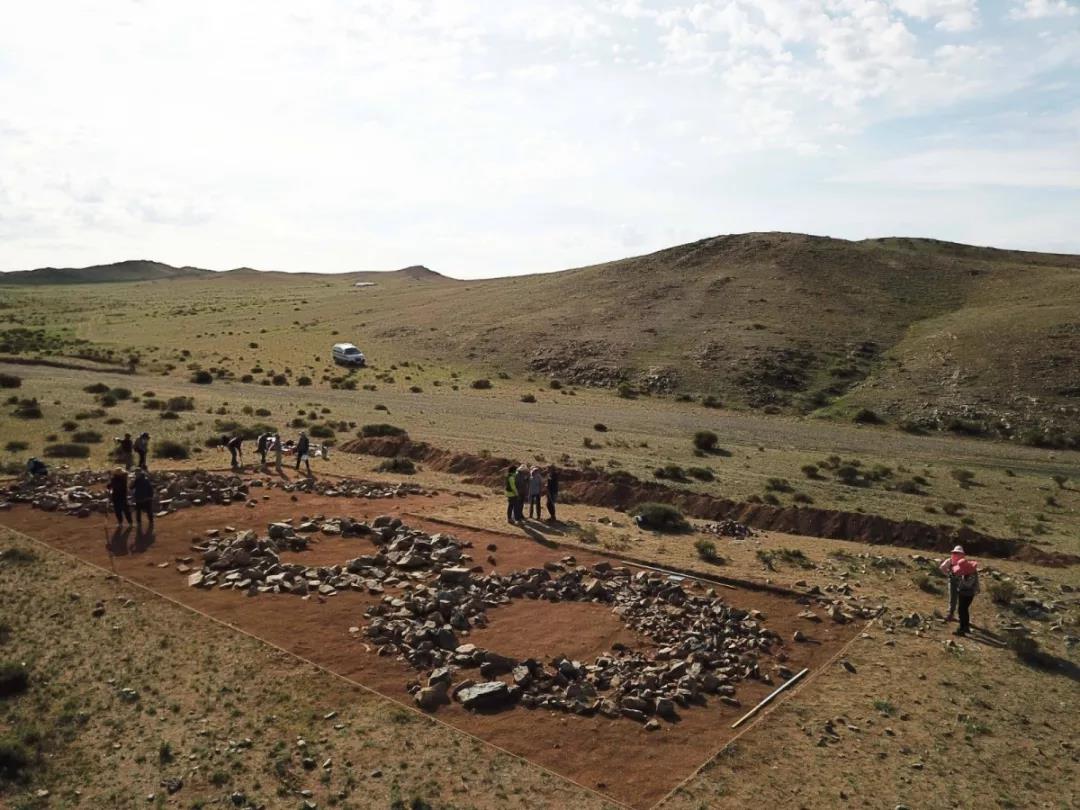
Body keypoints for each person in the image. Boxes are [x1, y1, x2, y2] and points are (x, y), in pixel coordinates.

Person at [953, 557, 980, 636]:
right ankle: (965, 627)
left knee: (962, 610)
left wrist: (960, 579)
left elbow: (968, 584)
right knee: (964, 610)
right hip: (966, 594)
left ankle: (962, 628)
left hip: (966, 594)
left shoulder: (971, 575)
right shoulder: (972, 572)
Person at [939, 545, 966, 621]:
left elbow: (942, 567)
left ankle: (954, 615)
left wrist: (947, 573)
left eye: (958, 553)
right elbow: (942, 567)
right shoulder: (951, 561)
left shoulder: (951, 560)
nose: (957, 555)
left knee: (956, 599)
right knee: (955, 599)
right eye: (957, 553)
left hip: (958, 582)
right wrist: (948, 573)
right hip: (957, 582)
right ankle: (952, 614)